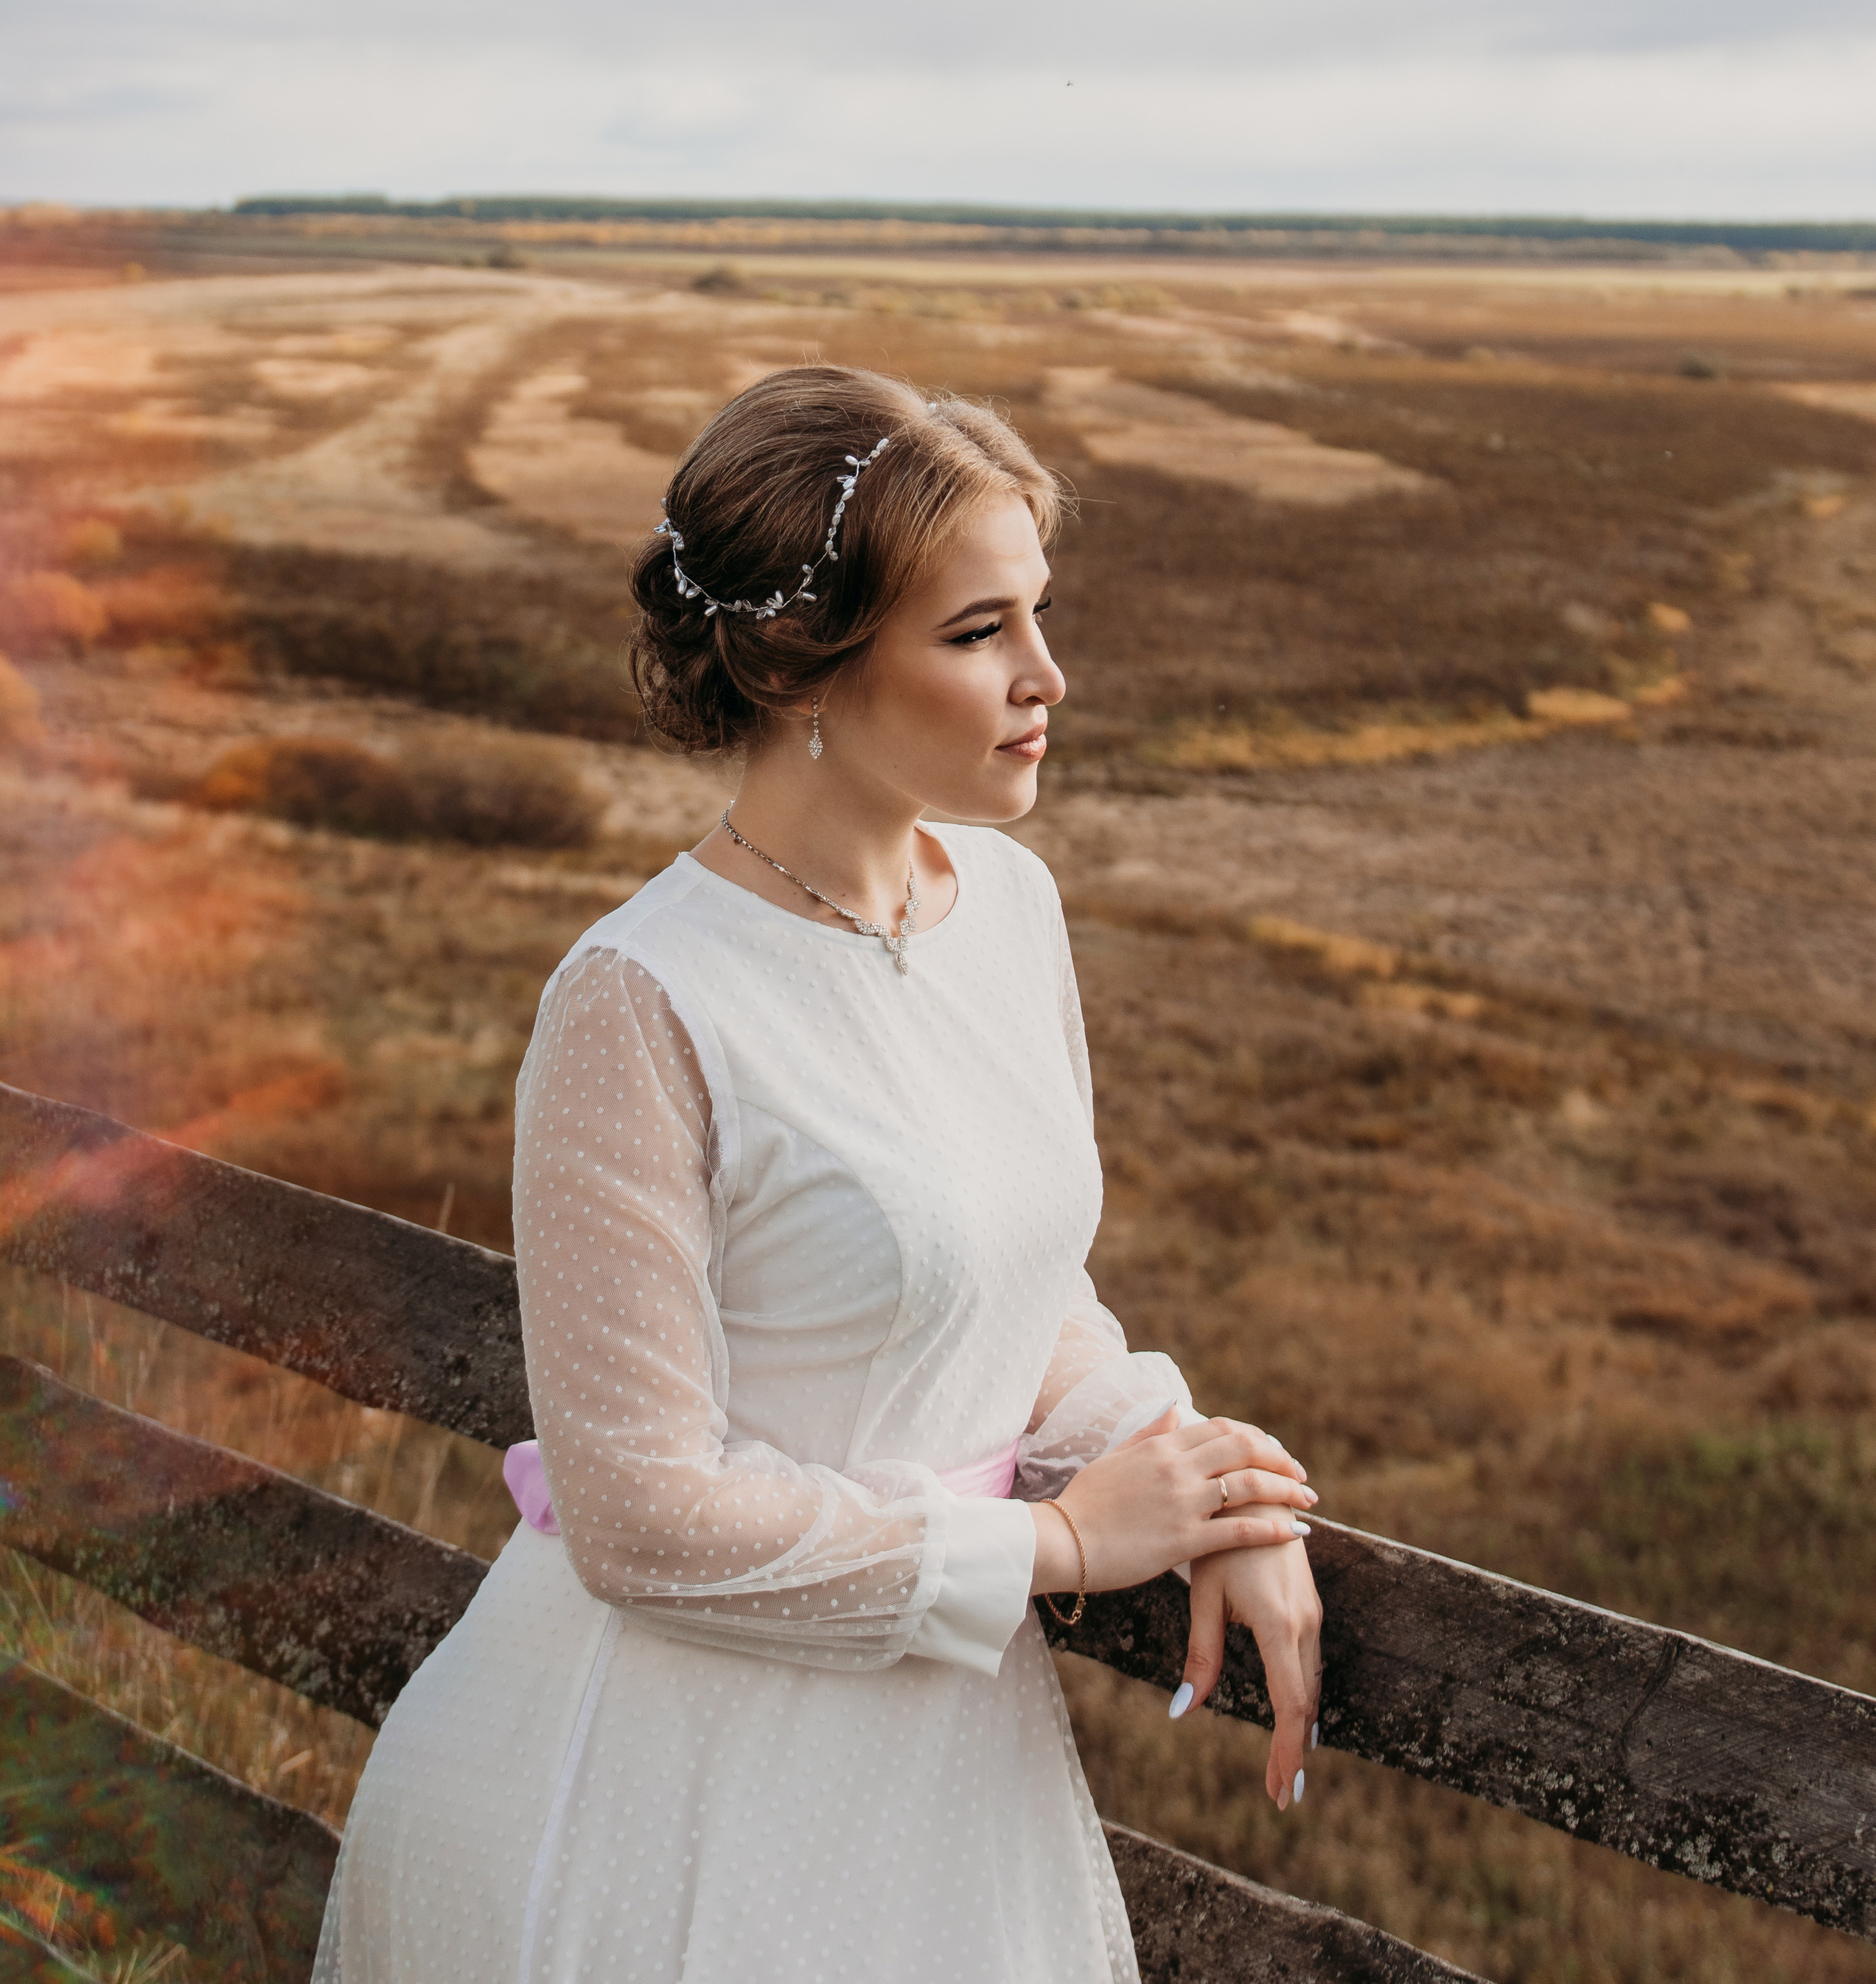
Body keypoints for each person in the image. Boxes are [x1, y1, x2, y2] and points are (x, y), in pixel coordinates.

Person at [314, 366, 1322, 1984]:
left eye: (1038, 615)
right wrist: (1061, 1552)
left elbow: (1007, 1280)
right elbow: (639, 1520)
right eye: (976, 632)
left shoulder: (1010, 907)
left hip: (935, 1779)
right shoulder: (638, 1001)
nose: (1045, 676)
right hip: (656, 1799)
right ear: (801, 665)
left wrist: (1196, 1478)